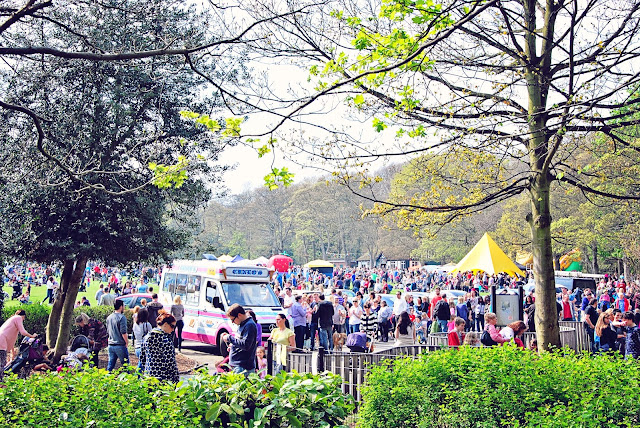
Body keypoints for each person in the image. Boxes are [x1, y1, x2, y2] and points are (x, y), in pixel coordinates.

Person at [140, 313, 179, 382]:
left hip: (148, 376)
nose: (173, 329)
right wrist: (175, 379)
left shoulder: (146, 338)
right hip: (164, 379)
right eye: (172, 326)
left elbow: (142, 358)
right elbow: (171, 363)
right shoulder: (166, 341)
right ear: (165, 324)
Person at [220, 304, 258, 375]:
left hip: (243, 366)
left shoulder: (249, 325)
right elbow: (240, 341)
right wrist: (233, 346)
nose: (232, 322)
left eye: (233, 319)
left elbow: (246, 345)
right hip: (238, 365)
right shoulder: (243, 324)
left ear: (239, 315)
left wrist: (229, 338)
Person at [0, 310, 37, 382]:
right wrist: (32, 336)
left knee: (2, 362)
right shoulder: (18, 318)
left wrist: (12, 354)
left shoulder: (12, 320)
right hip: (2, 341)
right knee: (1, 363)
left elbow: (11, 339)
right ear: (23, 316)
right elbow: (23, 332)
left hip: (2, 340)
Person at [106, 300, 129, 371]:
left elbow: (108, 330)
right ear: (121, 307)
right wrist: (127, 342)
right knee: (126, 366)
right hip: (120, 345)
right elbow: (123, 332)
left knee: (110, 365)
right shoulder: (122, 317)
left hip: (111, 344)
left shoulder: (109, 317)